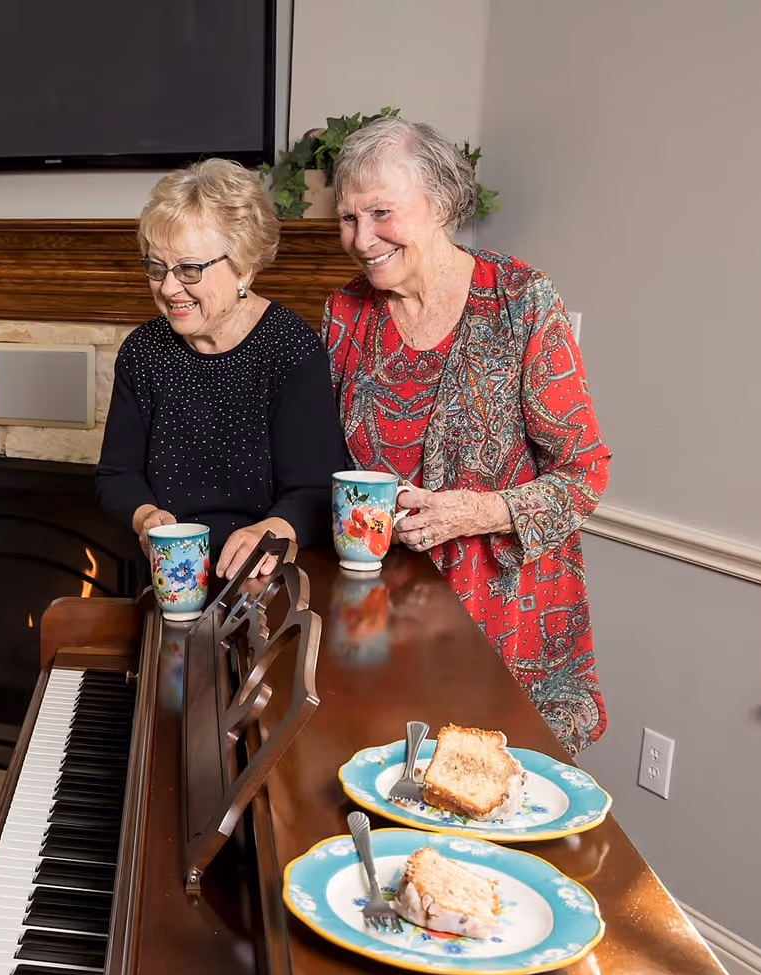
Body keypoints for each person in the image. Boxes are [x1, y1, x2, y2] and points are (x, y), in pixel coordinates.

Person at [323, 116, 612, 754]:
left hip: (505, 625)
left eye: (381, 212)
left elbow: (586, 475)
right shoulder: (343, 313)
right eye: (347, 218)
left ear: (443, 203)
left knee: (489, 817)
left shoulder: (521, 301)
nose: (361, 238)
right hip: (385, 622)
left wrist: (473, 511)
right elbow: (327, 462)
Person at [96, 158, 348, 582]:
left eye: (189, 269)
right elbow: (117, 475)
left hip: (264, 578)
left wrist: (270, 532)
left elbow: (315, 491)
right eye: (156, 268)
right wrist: (145, 516)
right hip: (170, 577)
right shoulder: (142, 352)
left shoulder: (289, 349)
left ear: (243, 266)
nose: (169, 287)